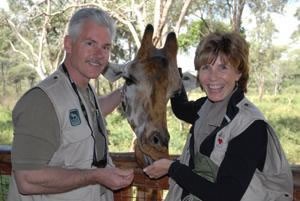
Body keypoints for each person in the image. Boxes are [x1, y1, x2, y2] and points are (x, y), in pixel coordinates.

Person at [143, 32, 293, 201]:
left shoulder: (251, 125)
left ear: (238, 73)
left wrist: (173, 168)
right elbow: (182, 110)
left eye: (223, 67)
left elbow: (225, 195)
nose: (212, 77)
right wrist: (172, 70)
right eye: (206, 67)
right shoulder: (207, 106)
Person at [7, 7, 134, 201]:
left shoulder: (84, 91)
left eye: (106, 47)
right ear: (68, 44)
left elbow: (92, 112)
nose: (99, 54)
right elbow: (27, 180)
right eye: (90, 43)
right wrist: (96, 175)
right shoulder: (42, 101)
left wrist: (127, 90)